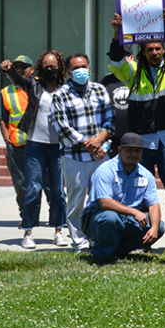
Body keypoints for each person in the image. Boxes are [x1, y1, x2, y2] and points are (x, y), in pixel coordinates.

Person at [109, 6, 165, 205]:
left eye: (158, 48)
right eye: (150, 49)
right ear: (143, 53)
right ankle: (135, 228)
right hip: (142, 142)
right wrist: (117, 32)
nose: (154, 52)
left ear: (163, 50)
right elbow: (117, 62)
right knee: (136, 188)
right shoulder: (133, 72)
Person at [0, 54, 69, 249]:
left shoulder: (66, 89)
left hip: (57, 147)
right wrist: (9, 71)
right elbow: (19, 79)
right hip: (35, 146)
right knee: (33, 189)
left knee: (57, 191)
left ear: (60, 67)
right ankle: (28, 232)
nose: (49, 69)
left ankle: (58, 231)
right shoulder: (34, 86)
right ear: (40, 68)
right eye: (46, 66)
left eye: (53, 66)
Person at [51, 52, 115, 251]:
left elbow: (110, 120)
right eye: (76, 68)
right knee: (76, 203)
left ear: (89, 68)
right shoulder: (60, 94)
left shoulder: (99, 89)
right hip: (75, 157)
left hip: (101, 156)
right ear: (69, 71)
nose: (81, 71)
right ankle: (80, 241)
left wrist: (100, 143)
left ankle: (99, 235)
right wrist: (88, 143)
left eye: (84, 67)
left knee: (103, 199)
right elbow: (62, 127)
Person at [81, 133, 165, 265]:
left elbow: (154, 204)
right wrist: (134, 212)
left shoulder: (145, 174)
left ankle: (119, 251)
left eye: (137, 150)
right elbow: (105, 202)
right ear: (120, 150)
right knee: (110, 218)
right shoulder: (105, 170)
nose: (133, 154)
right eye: (129, 150)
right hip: (99, 218)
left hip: (127, 220)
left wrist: (153, 227)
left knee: (159, 226)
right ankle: (101, 256)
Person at [0, 55, 33, 219]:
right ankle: (26, 215)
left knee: (50, 183)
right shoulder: (7, 92)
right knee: (21, 183)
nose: (20, 70)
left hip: (42, 144)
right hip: (17, 146)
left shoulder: (41, 87)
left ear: (32, 69)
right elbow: (2, 118)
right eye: (17, 68)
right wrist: (7, 140)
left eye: (24, 67)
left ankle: (59, 217)